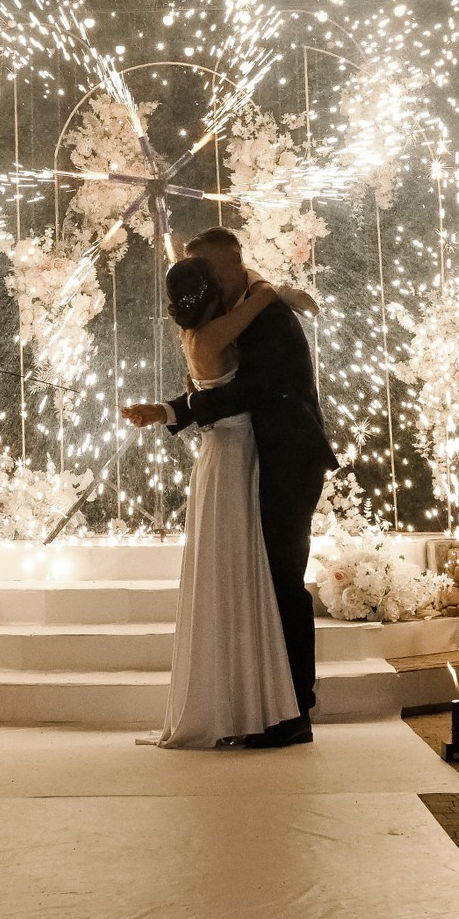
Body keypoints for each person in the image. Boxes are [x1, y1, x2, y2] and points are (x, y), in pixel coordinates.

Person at [123, 227, 337, 749]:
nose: (214, 282)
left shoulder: (270, 316)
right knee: (259, 582)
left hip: (286, 463)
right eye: (206, 275)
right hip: (251, 459)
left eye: (218, 270)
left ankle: (295, 712)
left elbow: (252, 389)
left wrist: (174, 409)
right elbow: (222, 376)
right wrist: (172, 408)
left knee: (283, 582)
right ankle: (265, 705)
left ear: (237, 263)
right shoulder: (239, 309)